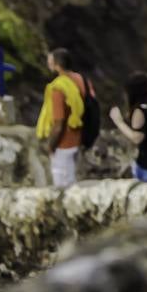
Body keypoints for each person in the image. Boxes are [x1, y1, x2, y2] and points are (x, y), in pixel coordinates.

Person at [34, 48, 88, 188]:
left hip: (64, 142)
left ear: (57, 65)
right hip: (78, 137)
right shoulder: (80, 80)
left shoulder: (58, 88)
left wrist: (51, 145)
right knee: (72, 180)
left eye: (50, 61)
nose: (48, 64)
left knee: (62, 186)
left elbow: (59, 123)